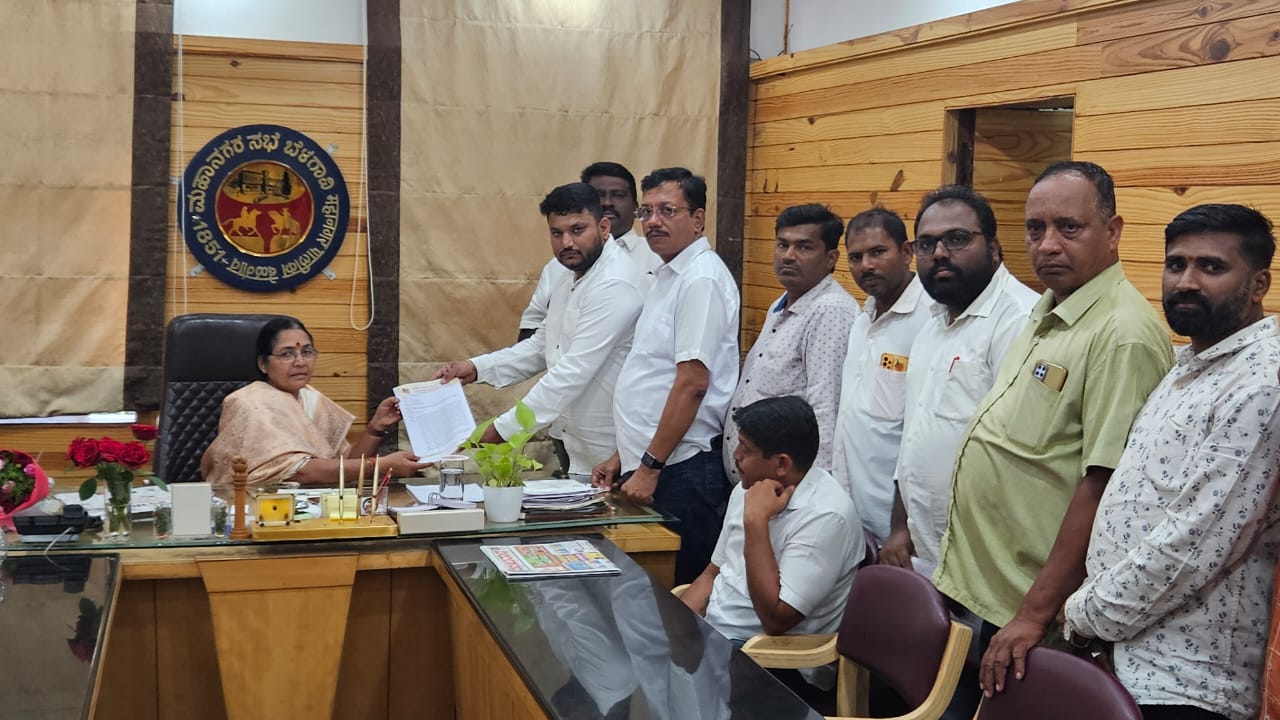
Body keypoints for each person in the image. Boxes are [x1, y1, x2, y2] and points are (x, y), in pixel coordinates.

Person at [930, 161, 1175, 704]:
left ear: (1113, 231)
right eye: (1035, 229)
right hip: (985, 589)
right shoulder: (1050, 307)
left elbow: (1103, 487)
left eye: (1069, 227)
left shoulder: (1122, 334)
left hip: (1032, 616)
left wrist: (1032, 615)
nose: (1047, 245)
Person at [1062, 204, 1280, 720]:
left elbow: (1193, 547)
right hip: (1126, 659)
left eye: (1212, 267)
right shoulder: (1193, 363)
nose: (1186, 282)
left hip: (1188, 685)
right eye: (1176, 264)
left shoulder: (1262, 383)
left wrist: (1084, 616)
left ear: (1259, 284)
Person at [434, 182, 645, 475]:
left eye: (577, 230)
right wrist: (475, 368)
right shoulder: (567, 274)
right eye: (556, 233)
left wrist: (501, 430)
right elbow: (542, 344)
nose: (566, 243)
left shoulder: (614, 283)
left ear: (604, 227)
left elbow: (573, 371)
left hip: (612, 450)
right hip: (572, 439)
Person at [593, 167, 739, 585]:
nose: (653, 221)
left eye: (667, 210)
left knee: (677, 597)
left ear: (698, 219)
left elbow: (692, 385)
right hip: (656, 462)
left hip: (681, 470)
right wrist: (623, 455)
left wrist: (650, 466)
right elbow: (653, 375)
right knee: (647, 592)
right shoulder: (668, 274)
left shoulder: (701, 279)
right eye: (647, 211)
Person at [882, 186, 1037, 577]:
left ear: (995, 249)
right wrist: (901, 524)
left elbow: (1020, 458)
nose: (939, 253)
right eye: (926, 243)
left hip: (989, 559)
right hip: (928, 549)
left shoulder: (1020, 321)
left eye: (957, 239)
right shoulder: (932, 326)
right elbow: (915, 434)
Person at [682, 396, 862, 694]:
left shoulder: (827, 516)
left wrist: (756, 522)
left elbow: (775, 619)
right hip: (718, 638)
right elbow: (712, 574)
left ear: (781, 464)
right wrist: (677, 632)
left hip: (774, 663)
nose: (736, 455)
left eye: (746, 448)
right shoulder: (749, 488)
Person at [201, 317, 429, 487]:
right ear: (263, 364)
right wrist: (381, 466)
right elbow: (301, 472)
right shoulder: (250, 403)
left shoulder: (310, 398)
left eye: (307, 352)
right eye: (287, 354)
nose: (300, 362)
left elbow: (343, 464)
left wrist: (375, 428)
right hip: (251, 510)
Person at [722, 204, 859, 484]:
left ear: (831, 258)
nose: (788, 256)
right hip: (755, 484)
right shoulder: (780, 304)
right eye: (783, 245)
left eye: (804, 247)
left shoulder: (830, 310)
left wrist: (811, 494)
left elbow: (826, 410)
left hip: (787, 490)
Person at [830, 207, 934, 543]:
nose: (866, 265)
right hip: (854, 511)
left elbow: (922, 434)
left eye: (877, 252)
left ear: (907, 252)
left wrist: (902, 525)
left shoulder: (930, 320)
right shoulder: (863, 319)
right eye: (856, 257)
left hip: (902, 525)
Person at [518, 161, 658, 341]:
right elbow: (535, 329)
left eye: (618, 195)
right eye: (599, 195)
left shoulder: (657, 256)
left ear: (635, 206)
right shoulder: (560, 265)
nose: (607, 203)